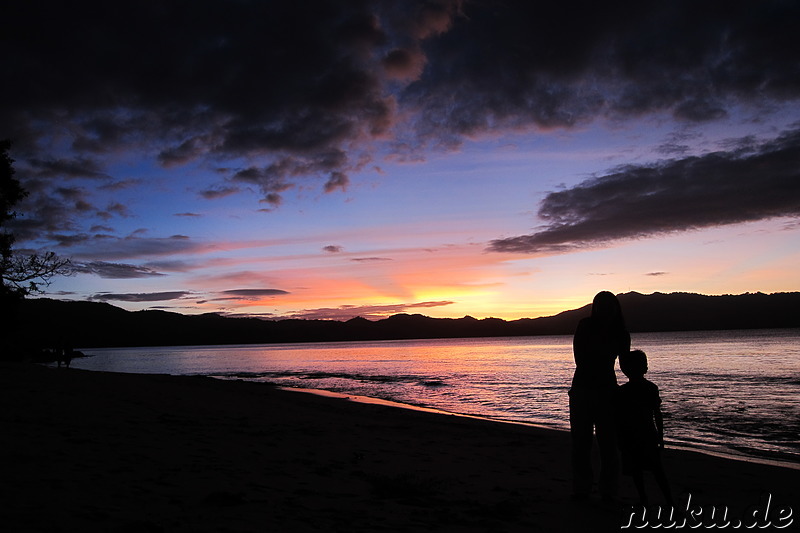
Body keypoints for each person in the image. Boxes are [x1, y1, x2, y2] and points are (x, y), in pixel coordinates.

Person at [569, 291, 630, 501]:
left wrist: (637, 383)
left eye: (609, 306)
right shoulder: (585, 326)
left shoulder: (621, 332)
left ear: (615, 308)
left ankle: (608, 491)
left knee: (608, 444)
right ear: (595, 308)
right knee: (581, 444)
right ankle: (582, 489)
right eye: (601, 306)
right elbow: (580, 360)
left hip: (606, 392)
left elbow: (625, 365)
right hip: (584, 391)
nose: (605, 310)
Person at [617, 349, 672, 506]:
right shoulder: (649, 388)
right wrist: (660, 436)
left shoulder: (623, 391)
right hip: (644, 434)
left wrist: (619, 437)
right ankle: (667, 502)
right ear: (645, 368)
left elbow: (619, 418)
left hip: (637, 435)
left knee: (640, 471)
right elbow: (657, 414)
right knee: (655, 471)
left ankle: (646, 499)